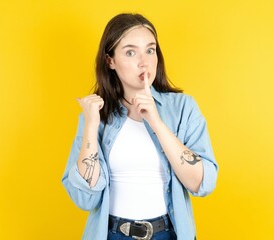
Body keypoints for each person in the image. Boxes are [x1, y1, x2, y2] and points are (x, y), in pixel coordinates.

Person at [62, 13, 218, 240]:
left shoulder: (183, 108)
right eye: (130, 52)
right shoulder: (96, 115)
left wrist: (155, 120)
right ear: (110, 61)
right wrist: (91, 125)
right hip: (112, 234)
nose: (144, 61)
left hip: (168, 234)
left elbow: (201, 183)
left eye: (150, 50)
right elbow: (85, 199)